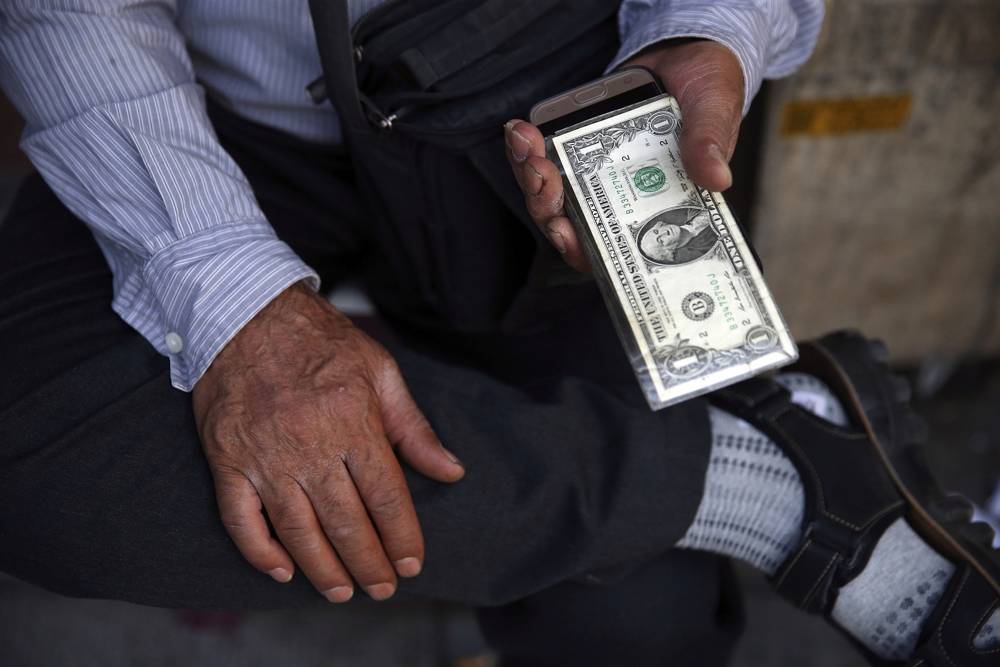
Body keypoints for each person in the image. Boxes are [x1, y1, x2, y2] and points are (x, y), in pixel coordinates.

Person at [0, 1, 996, 665]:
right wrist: (239, 309)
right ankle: (766, 478)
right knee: (41, 469)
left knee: (630, 633)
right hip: (191, 128)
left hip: (555, 115)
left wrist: (703, 27)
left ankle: (709, 473)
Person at [636, 207, 718, 265]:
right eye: (661, 240)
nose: (664, 232)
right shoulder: (703, 248)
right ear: (668, 250)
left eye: (656, 231)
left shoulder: (687, 210)